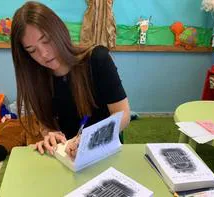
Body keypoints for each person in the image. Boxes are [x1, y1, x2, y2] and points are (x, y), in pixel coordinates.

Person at [11, 1, 130, 160]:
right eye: (32, 50)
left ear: (58, 31)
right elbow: (46, 123)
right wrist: (49, 136)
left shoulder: (97, 59)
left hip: (105, 150)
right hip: (66, 157)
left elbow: (123, 114)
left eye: (46, 40)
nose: (44, 54)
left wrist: (89, 139)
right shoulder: (36, 77)